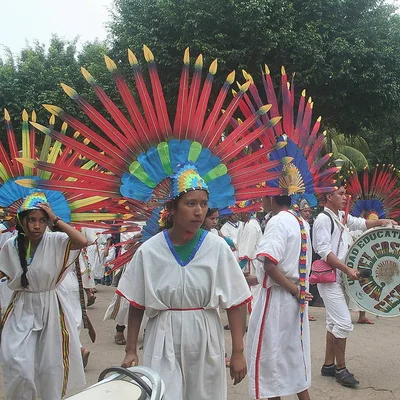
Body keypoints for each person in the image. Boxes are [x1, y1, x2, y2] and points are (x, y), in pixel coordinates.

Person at [118, 165, 251, 400]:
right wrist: (130, 350)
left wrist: (238, 351)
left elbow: (234, 303)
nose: (199, 211)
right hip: (162, 336)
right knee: (163, 394)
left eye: (203, 203)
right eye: (191, 203)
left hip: (206, 336)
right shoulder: (150, 251)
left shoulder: (218, 248)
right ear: (172, 208)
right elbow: (137, 304)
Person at [0, 194, 89, 399]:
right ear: (22, 221)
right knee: (17, 363)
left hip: (52, 307)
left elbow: (82, 241)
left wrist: (55, 219)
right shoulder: (11, 246)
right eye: (32, 220)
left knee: (50, 367)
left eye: (42, 220)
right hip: (22, 308)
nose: (37, 226)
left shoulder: (56, 240)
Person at [313, 185, 396, 387]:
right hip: (330, 278)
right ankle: (341, 370)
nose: (344, 197)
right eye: (340, 193)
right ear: (328, 196)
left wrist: (382, 221)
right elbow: (324, 250)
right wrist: (347, 269)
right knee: (342, 323)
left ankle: (328, 365)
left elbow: (360, 223)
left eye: (344, 193)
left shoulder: (339, 216)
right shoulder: (323, 220)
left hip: (338, 277)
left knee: (334, 323)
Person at [247, 195, 313, 399]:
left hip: (279, 299)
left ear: (271, 198)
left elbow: (270, 265)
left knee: (269, 361)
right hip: (294, 299)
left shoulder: (277, 221)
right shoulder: (300, 221)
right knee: (292, 356)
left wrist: (294, 290)